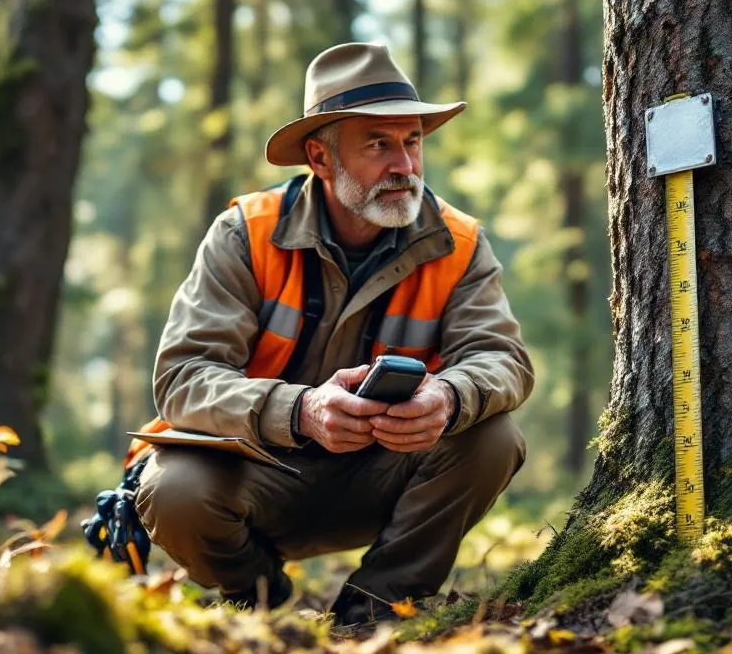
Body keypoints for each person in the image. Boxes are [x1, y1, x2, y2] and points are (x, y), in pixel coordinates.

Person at [137, 42, 534, 628]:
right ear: (321, 159)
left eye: (413, 141)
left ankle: (372, 612)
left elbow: (502, 358)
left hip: (385, 472)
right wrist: (300, 409)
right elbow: (182, 380)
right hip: (258, 472)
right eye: (379, 144)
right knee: (172, 488)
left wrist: (447, 398)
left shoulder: (460, 241)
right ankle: (261, 604)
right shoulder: (245, 234)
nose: (404, 164)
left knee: (493, 437)